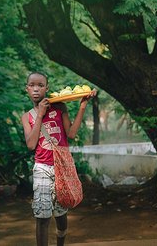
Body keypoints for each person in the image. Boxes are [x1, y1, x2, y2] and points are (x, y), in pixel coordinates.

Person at [21, 71, 96, 246]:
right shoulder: (27, 117)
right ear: (27, 89)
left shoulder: (60, 107)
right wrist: (40, 114)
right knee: (42, 217)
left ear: (47, 88)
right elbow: (31, 145)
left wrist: (82, 107)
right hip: (42, 169)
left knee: (61, 214)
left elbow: (71, 133)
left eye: (40, 85)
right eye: (32, 85)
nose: (36, 89)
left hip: (61, 168)